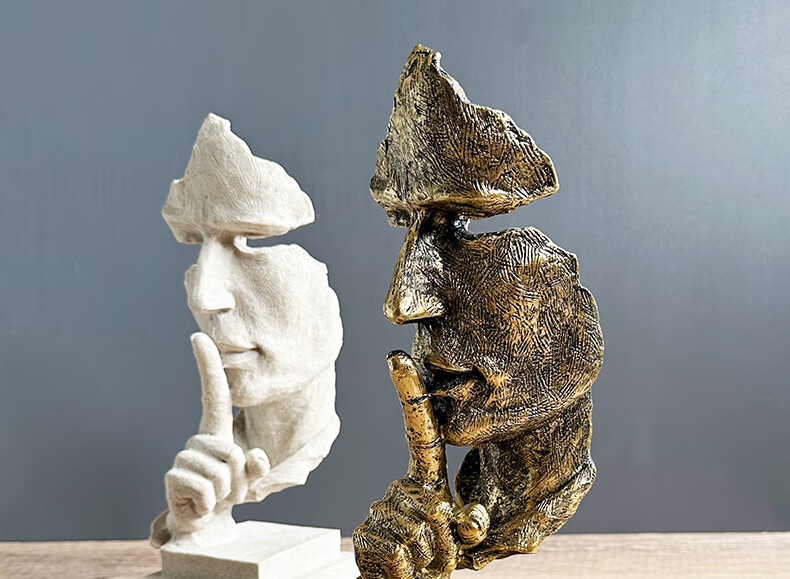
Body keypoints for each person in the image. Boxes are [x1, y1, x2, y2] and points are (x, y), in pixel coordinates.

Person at [353, 46, 604, 577]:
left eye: (461, 235)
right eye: (409, 233)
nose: (403, 304)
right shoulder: (452, 514)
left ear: (577, 323)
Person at [150, 114, 343, 548]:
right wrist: (196, 524)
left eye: (251, 240)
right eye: (194, 244)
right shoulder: (211, 465)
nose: (204, 297)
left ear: (325, 288)